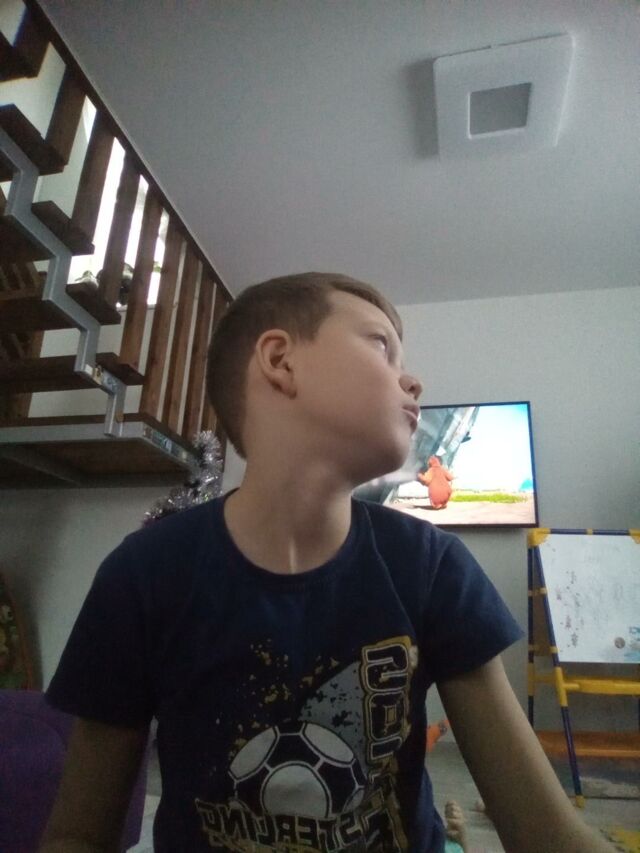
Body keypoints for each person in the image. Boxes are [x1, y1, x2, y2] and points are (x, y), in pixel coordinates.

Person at [40, 273, 613, 852]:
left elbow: (547, 835)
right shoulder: (144, 574)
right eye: (381, 345)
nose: (414, 381)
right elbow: (80, 836)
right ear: (280, 361)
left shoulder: (433, 566)